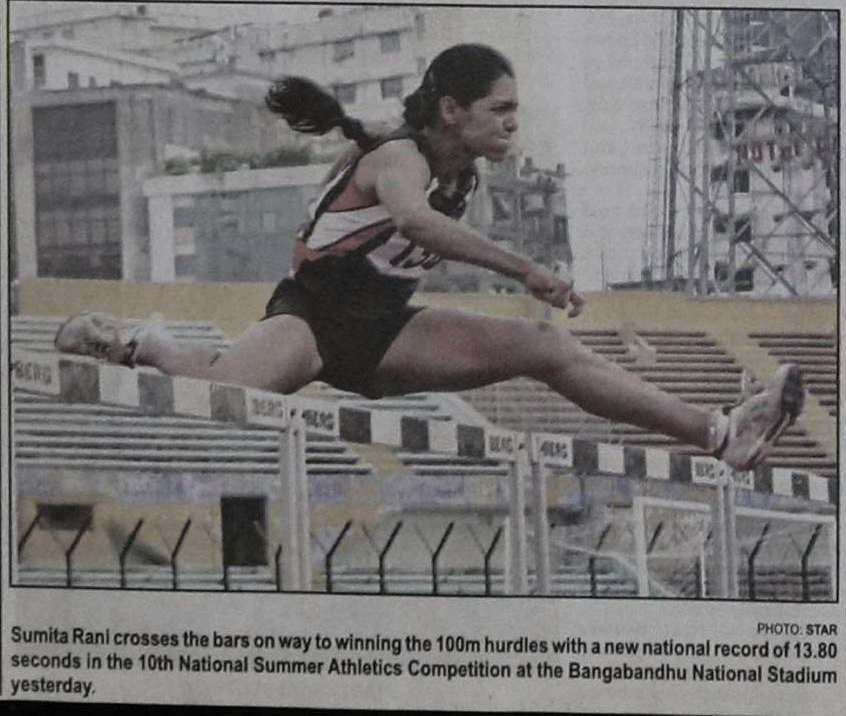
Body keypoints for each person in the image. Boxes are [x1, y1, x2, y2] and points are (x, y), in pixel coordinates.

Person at [54, 44, 803, 471]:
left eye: (515, 111)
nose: (513, 124)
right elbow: (413, 220)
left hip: (387, 331)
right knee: (225, 393)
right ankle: (141, 340)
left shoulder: (463, 176)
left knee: (546, 347)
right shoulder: (398, 158)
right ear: (452, 109)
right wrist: (524, 270)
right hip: (312, 319)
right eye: (500, 110)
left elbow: (418, 239)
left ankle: (719, 433)